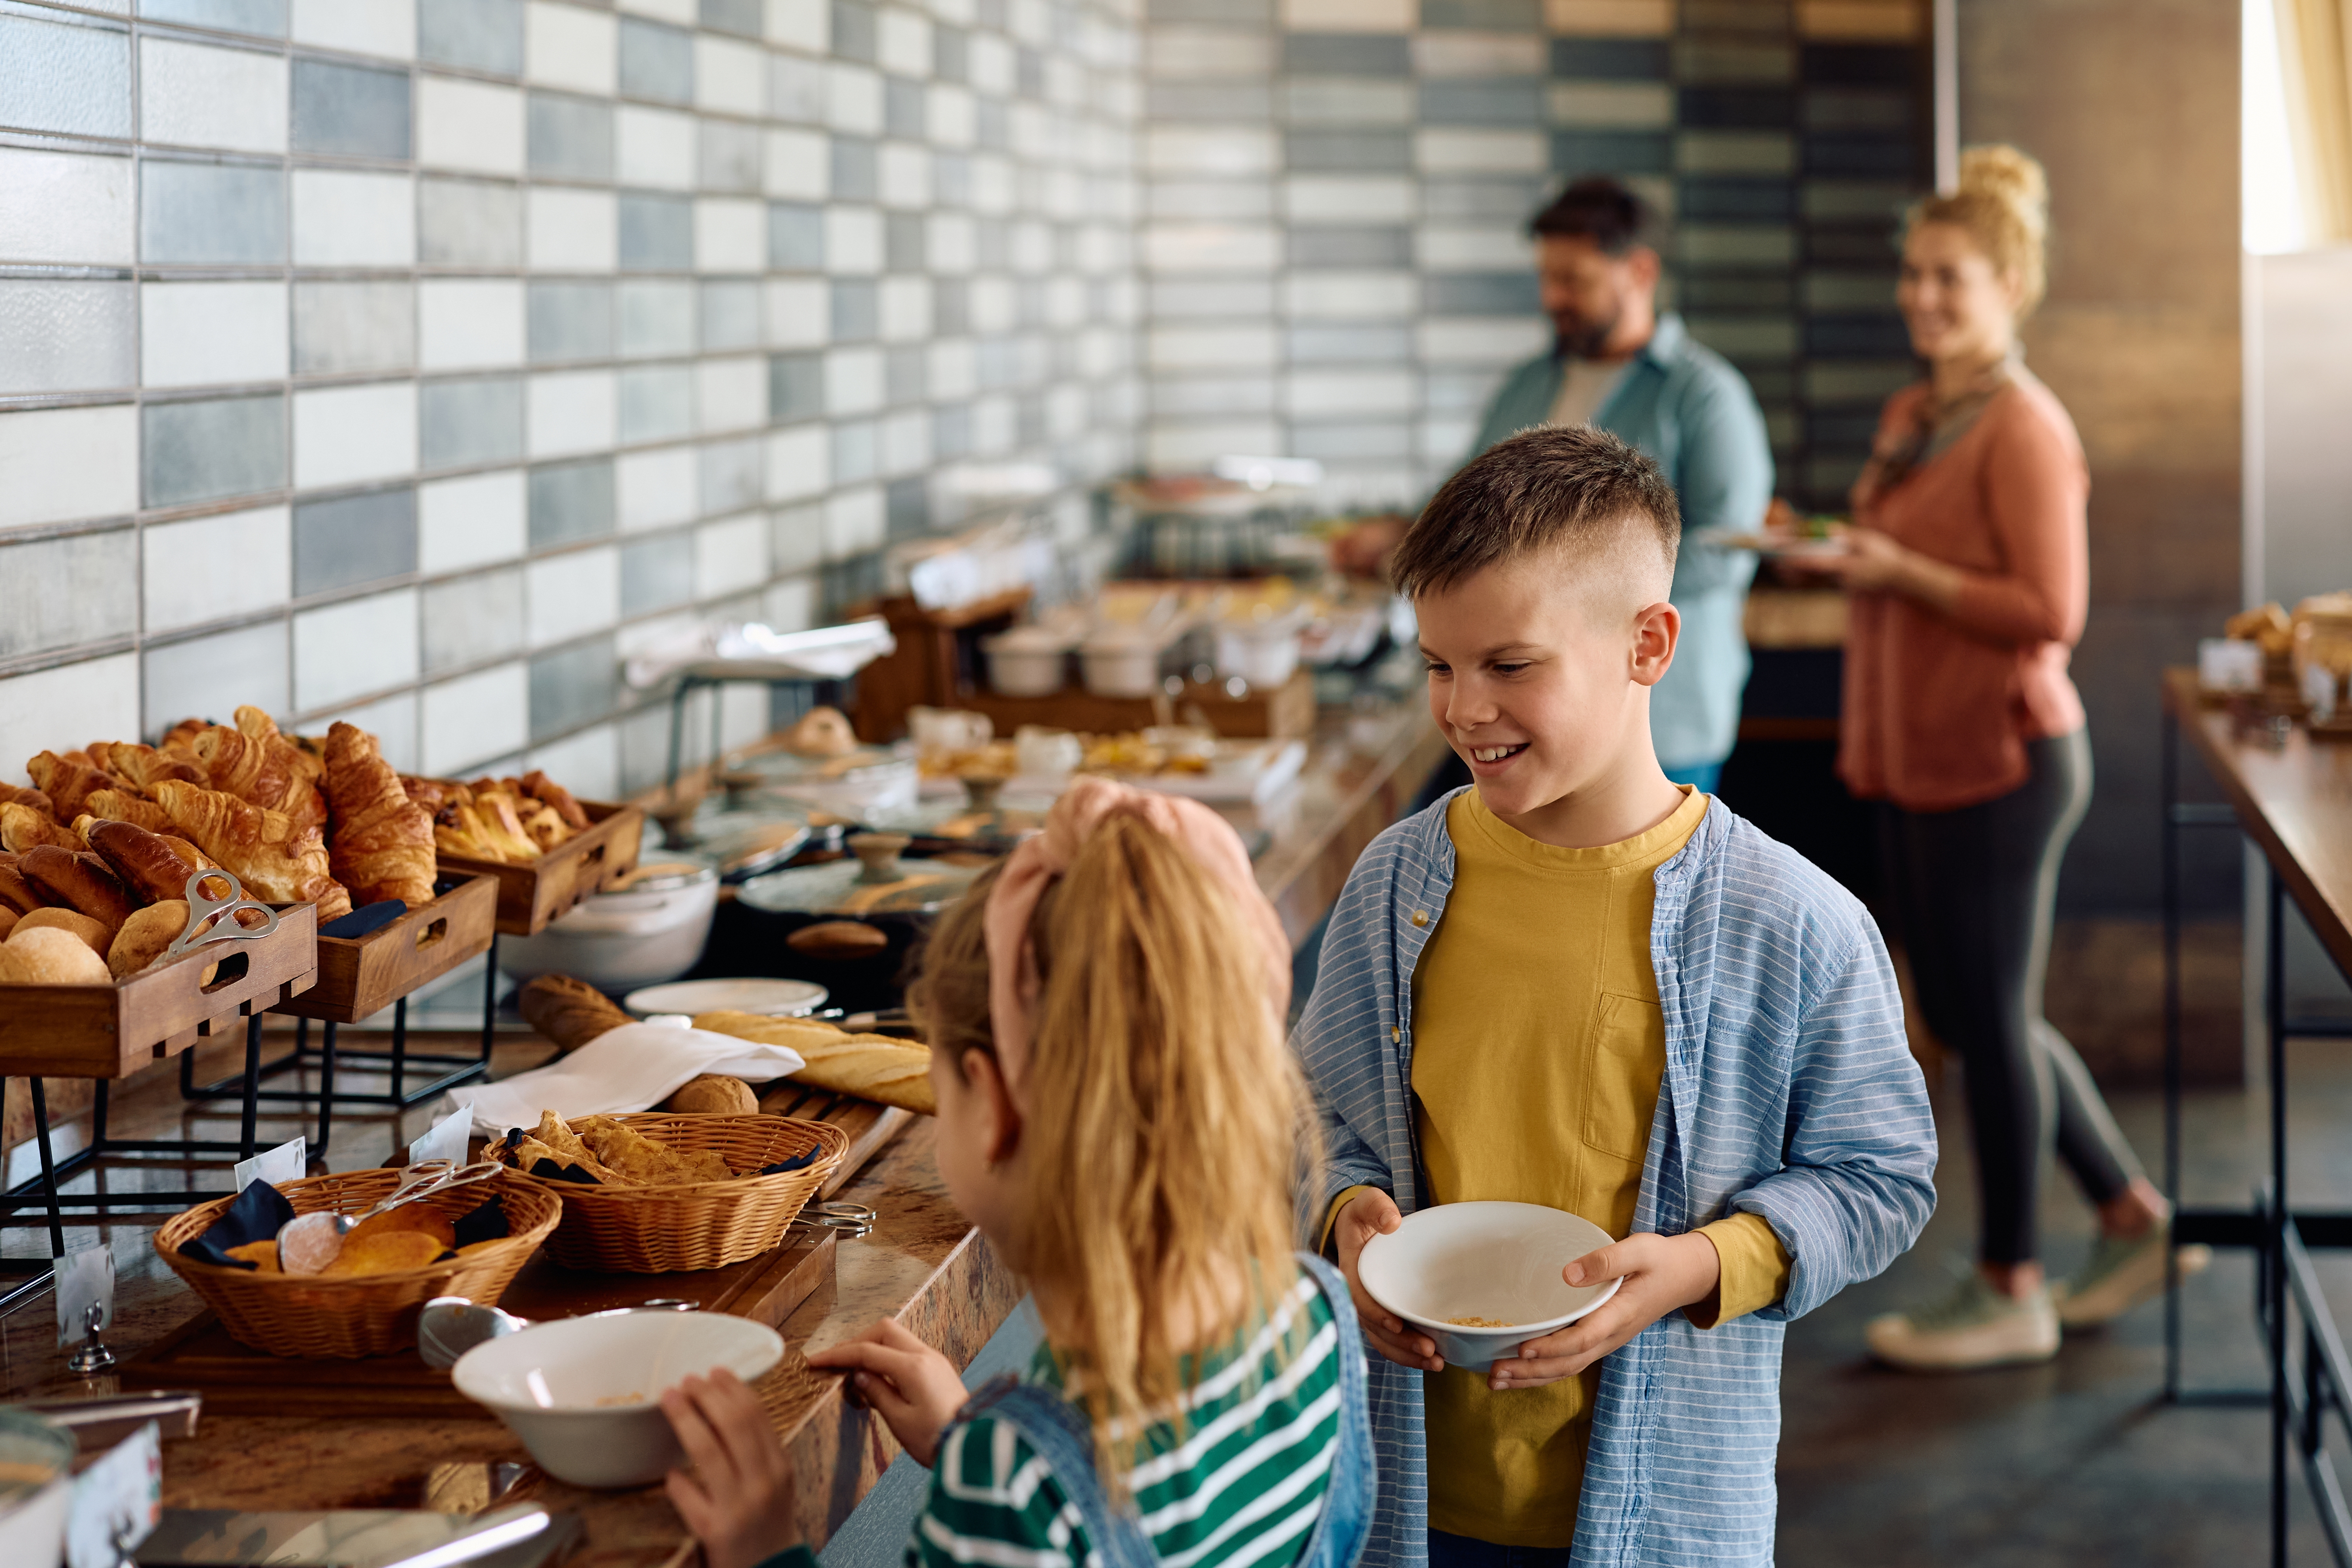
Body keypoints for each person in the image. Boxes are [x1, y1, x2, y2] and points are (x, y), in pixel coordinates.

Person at [1296, 423, 1936, 1568]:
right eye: (1439, 665)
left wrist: (1701, 1268)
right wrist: (1345, 1214)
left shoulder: (1794, 922)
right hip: (1402, 1499)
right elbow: (1308, 1117)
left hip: (1667, 1523)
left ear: (1648, 645)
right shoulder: (1396, 881)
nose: (1463, 710)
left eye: (1510, 665)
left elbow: (1882, 1179)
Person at [658, 777, 1374, 1568]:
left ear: (994, 1101)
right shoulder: (1316, 1314)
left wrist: (766, 1550)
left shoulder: (1015, 1490)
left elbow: (1047, 1514)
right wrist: (981, 1434)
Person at [1806, 145, 2201, 1371]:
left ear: (2013, 282)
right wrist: (1828, 545)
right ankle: (2132, 1218)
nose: (1922, 297)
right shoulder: (1917, 412)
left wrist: (1894, 569)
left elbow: (2051, 609)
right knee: (1986, 1020)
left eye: (1950, 278)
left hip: (2006, 764)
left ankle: (2012, 1283)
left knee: (1987, 1024)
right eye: (1914, 274)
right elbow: (1890, 546)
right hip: (1919, 754)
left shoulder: (2027, 428)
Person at [1461, 176, 1774, 797]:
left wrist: (1568, 591)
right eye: (1547, 279)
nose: (1553, 298)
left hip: (1665, 724)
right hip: (1535, 719)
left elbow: (1727, 548)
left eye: (1573, 280)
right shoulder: (1524, 385)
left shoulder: (1705, 394)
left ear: (1639, 271)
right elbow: (1465, 508)